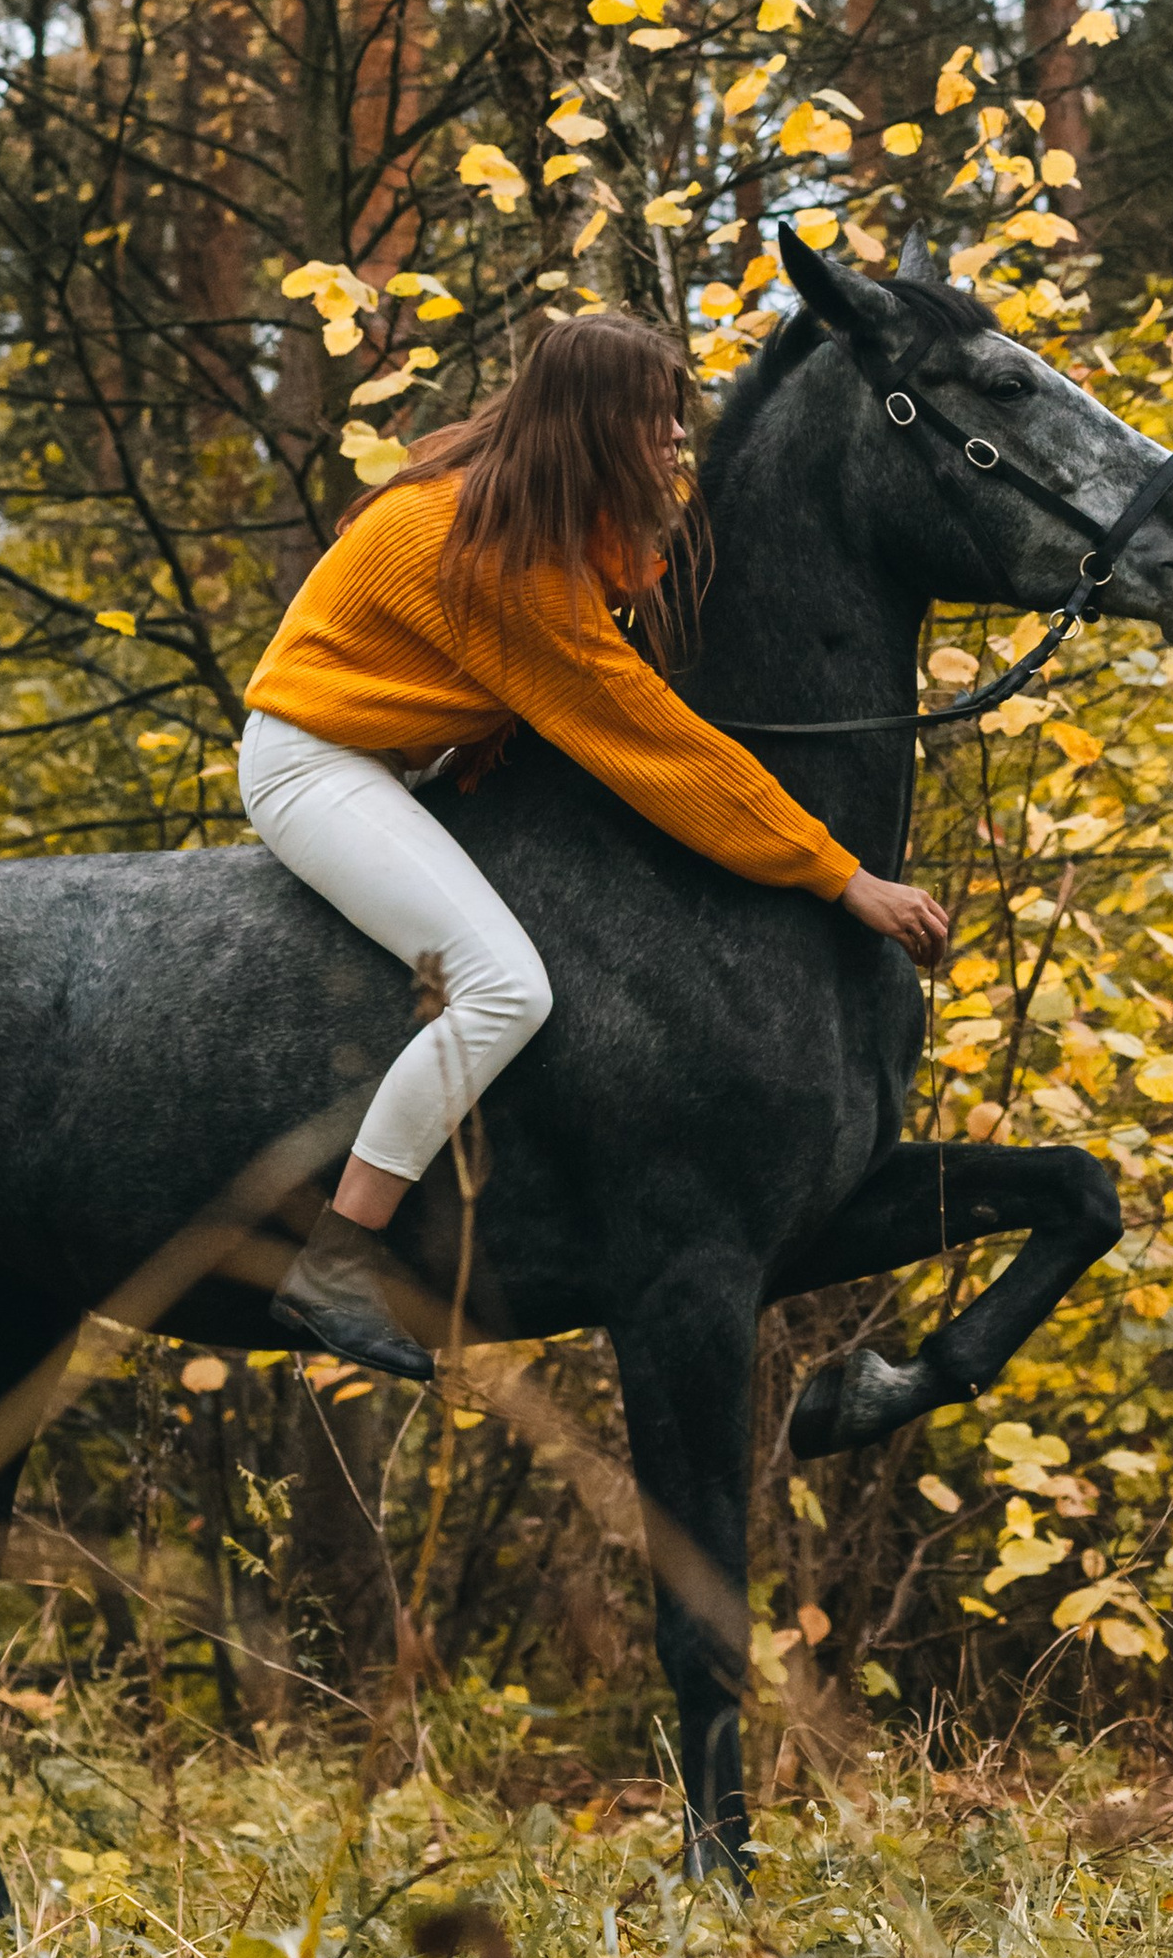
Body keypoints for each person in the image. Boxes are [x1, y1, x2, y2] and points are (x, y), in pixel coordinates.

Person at [238, 304, 951, 1379]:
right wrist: (840, 876)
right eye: (656, 419)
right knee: (499, 987)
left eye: (678, 418)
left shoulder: (540, 509)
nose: (674, 439)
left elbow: (641, 606)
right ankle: (336, 1253)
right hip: (314, 766)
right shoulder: (484, 544)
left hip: (396, 761)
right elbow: (641, 733)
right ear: (591, 421)